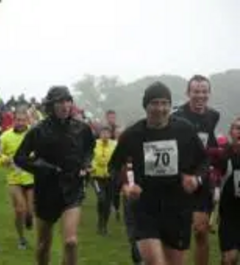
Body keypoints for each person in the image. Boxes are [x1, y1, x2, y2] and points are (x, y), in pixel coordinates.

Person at [109, 82, 206, 265]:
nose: (160, 109)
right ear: (146, 106)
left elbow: (203, 161)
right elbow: (114, 167)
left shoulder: (184, 130)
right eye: (154, 103)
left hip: (177, 207)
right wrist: (126, 186)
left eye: (164, 103)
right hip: (145, 207)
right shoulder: (132, 135)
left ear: (170, 105)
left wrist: (196, 179)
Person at [14, 86, 95, 265]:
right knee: (43, 245)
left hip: (72, 189)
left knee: (71, 242)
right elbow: (19, 157)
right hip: (46, 192)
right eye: (60, 102)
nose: (65, 106)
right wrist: (41, 167)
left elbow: (90, 148)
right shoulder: (38, 130)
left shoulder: (82, 128)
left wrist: (87, 164)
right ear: (51, 105)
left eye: (68, 101)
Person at [172, 74, 220, 265]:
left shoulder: (213, 116)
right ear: (188, 93)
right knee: (178, 234)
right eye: (196, 92)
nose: (200, 96)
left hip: (201, 178)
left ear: (209, 93)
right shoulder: (176, 117)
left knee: (200, 231)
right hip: (179, 179)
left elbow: (209, 147)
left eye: (204, 91)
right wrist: (182, 175)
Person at [0, 109, 34, 249]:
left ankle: (29, 218)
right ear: (14, 120)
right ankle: (21, 239)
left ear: (27, 120)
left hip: (31, 177)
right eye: (18, 120)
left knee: (30, 212)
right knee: (20, 209)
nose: (20, 123)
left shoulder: (34, 133)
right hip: (14, 178)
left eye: (23, 120)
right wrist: (4, 159)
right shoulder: (5, 136)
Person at [218, 117, 240, 265]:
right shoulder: (223, 156)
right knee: (229, 259)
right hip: (229, 216)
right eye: (237, 128)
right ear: (231, 132)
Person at [90, 126, 117, 236]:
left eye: (107, 133)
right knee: (101, 199)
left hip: (110, 178)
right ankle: (100, 222)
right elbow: (89, 157)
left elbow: (118, 158)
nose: (105, 135)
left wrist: (115, 170)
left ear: (110, 134)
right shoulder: (94, 144)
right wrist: (90, 166)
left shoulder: (115, 145)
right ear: (100, 134)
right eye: (103, 133)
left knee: (107, 202)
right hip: (96, 177)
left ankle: (104, 225)